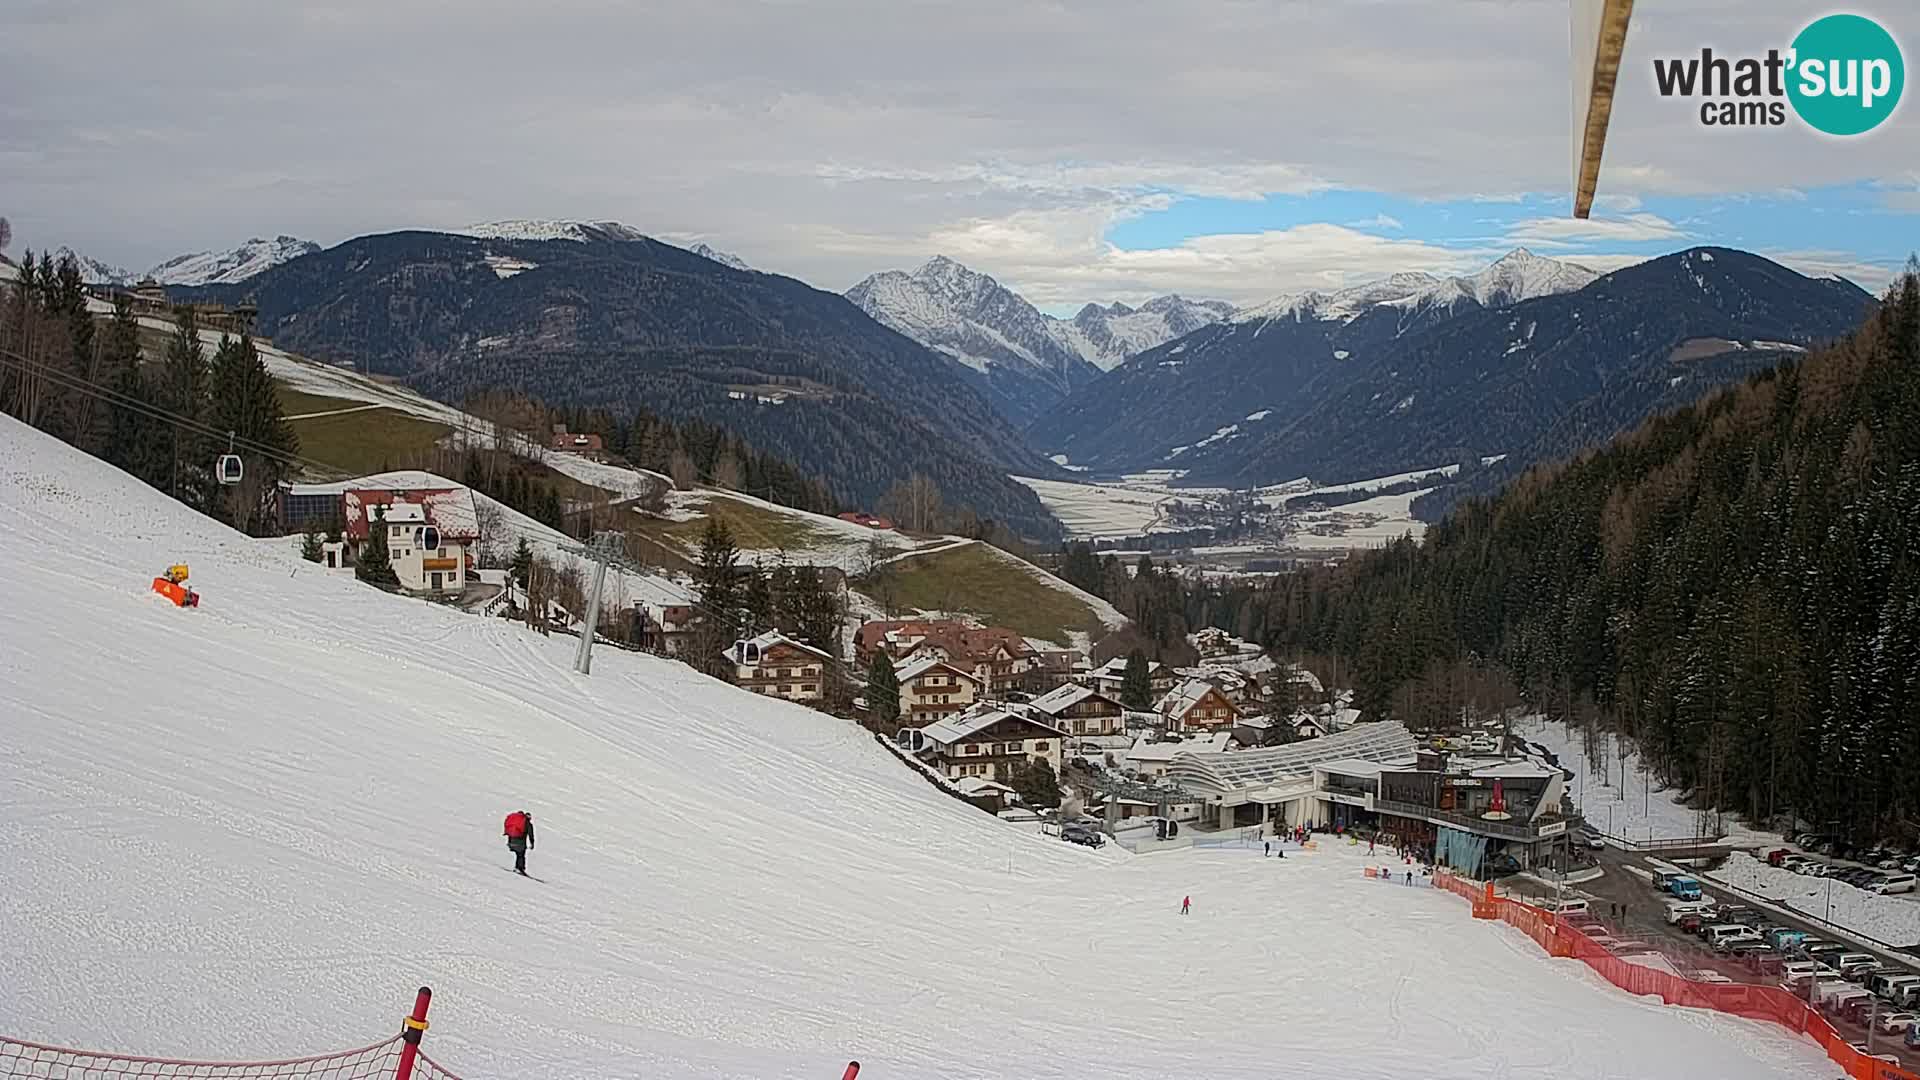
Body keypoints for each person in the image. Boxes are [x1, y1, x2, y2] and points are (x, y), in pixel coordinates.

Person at [504, 808, 535, 875]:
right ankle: (520, 868)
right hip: (520, 842)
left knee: (518, 854)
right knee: (521, 855)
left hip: (511, 841)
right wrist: (532, 843)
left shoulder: (515, 822)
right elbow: (531, 834)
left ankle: (517, 867)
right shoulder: (527, 823)